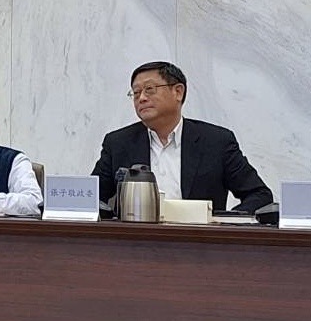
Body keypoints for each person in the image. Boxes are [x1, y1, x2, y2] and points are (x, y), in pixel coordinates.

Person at [92, 61, 272, 213]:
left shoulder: (216, 142)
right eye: (136, 93)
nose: (142, 98)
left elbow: (259, 195)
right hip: (135, 241)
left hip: (199, 240)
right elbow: (91, 200)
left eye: (149, 89)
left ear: (178, 92)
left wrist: (223, 223)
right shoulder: (118, 143)